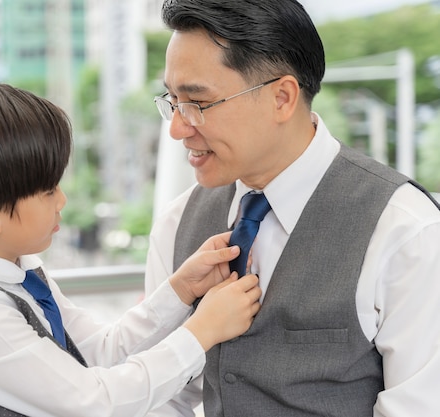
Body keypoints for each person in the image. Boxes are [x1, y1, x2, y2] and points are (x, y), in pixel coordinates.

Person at [144, 1, 440, 416]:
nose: (177, 127)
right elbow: (162, 396)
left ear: (282, 97)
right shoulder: (177, 223)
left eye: (198, 103)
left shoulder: (405, 230)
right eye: (172, 101)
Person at [0, 79, 262, 417]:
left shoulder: (19, 271)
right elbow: (94, 403)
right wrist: (202, 332)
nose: (62, 200)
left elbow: (100, 350)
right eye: (46, 191)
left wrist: (180, 291)